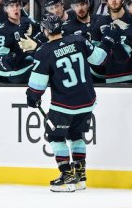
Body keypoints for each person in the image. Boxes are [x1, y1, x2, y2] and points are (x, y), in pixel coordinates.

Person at [25, 13, 109, 192]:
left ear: (46, 30)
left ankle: (67, 176)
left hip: (65, 105)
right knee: (76, 136)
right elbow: (100, 59)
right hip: (87, 100)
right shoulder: (78, 40)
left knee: (55, 137)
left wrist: (32, 97)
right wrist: (107, 43)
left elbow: (37, 84)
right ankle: (80, 176)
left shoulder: (44, 51)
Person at [0, 0, 33, 83]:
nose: (15, 8)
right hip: (9, 74)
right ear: (6, 9)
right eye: (11, 6)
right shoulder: (2, 30)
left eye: (17, 5)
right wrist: (10, 60)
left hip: (22, 67)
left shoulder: (26, 23)